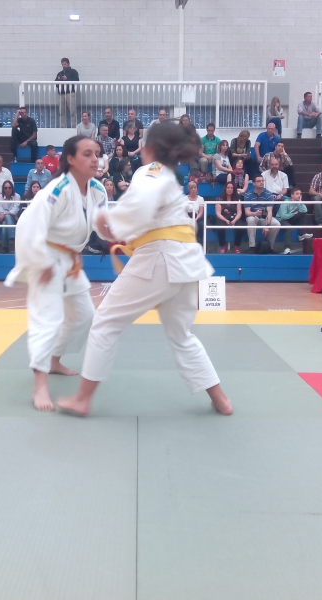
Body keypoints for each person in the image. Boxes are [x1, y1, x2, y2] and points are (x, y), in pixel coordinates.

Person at [55, 122, 233, 417]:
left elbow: (142, 202)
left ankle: (82, 399)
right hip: (186, 262)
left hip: (160, 258)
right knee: (181, 335)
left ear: (149, 148)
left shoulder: (150, 171)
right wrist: (115, 225)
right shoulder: (170, 176)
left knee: (105, 322)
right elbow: (145, 213)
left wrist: (107, 219)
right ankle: (221, 400)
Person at [4, 135, 107, 411]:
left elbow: (100, 224)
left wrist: (116, 232)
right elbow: (28, 225)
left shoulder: (97, 189)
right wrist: (42, 262)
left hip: (70, 259)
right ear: (70, 159)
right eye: (87, 154)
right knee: (47, 318)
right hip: (45, 256)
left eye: (97, 153)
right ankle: (40, 383)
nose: (95, 159)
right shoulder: (57, 190)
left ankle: (53, 360)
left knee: (84, 316)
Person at [245, 175, 280, 251]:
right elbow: (247, 212)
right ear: (253, 183)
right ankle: (252, 247)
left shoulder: (268, 194)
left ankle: (269, 247)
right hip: (253, 216)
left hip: (265, 217)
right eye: (258, 181)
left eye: (262, 181)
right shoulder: (248, 195)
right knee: (251, 219)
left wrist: (267, 225)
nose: (261, 182)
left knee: (276, 224)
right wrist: (255, 214)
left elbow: (269, 211)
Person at [275, 187, 310, 254]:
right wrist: (293, 213)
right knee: (290, 228)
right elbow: (284, 216)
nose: (299, 195)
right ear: (292, 195)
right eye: (297, 194)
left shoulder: (298, 202)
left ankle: (301, 234)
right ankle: (286, 248)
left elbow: (305, 210)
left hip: (290, 218)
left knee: (302, 213)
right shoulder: (286, 202)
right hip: (281, 220)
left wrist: (300, 202)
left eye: (300, 194)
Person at [214, 181, 244, 254]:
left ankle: (236, 246)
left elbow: (239, 212)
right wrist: (225, 220)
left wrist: (234, 220)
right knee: (220, 227)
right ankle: (223, 246)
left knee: (241, 227)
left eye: (231, 188)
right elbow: (218, 213)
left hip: (234, 217)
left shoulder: (237, 199)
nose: (230, 189)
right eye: (228, 188)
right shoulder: (219, 199)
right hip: (223, 217)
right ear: (225, 189)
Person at [0, 180, 21, 254]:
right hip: (6, 218)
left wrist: (5, 214)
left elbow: (15, 210)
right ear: (3, 189)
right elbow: (0, 210)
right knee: (6, 220)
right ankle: (12, 236)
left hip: (15, 218)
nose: (8, 190)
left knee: (5, 224)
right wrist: (7, 214)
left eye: (9, 188)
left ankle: (5, 247)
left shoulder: (17, 196)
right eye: (6, 188)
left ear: (12, 188)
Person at [55, 58, 79, 128]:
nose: (64, 66)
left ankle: (74, 127)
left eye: (65, 64)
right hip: (61, 93)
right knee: (61, 112)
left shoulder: (73, 72)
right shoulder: (60, 73)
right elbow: (56, 84)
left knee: (72, 111)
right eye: (62, 64)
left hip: (70, 93)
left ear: (68, 64)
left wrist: (67, 79)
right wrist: (59, 79)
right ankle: (63, 127)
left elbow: (76, 81)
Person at [184, 180, 205, 244]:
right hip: (187, 217)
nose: (193, 189)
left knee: (201, 225)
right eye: (191, 188)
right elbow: (184, 211)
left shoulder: (201, 199)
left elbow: (201, 212)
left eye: (195, 187)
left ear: (197, 188)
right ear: (189, 189)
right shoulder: (184, 199)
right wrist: (189, 219)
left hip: (197, 217)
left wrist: (196, 219)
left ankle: (199, 242)